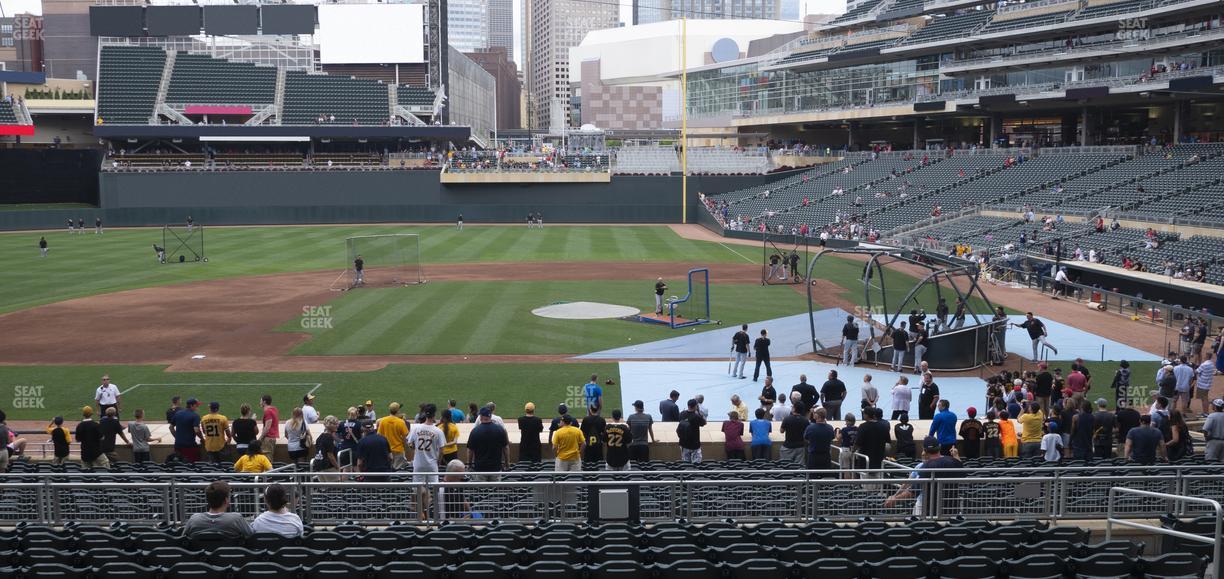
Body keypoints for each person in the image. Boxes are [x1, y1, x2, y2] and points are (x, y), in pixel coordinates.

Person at [884, 436, 962, 516]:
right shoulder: (952, 461)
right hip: (953, 510)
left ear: (925, 450)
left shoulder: (926, 466)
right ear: (939, 447)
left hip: (931, 512)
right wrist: (956, 456)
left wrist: (895, 499)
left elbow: (913, 491)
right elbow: (962, 474)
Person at [406, 405, 445, 517]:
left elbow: (409, 444)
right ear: (434, 415)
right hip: (432, 464)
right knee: (434, 489)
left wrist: (415, 448)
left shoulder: (416, 428)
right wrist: (438, 460)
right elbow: (442, 450)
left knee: (418, 489)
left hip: (418, 464)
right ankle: (431, 512)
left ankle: (421, 512)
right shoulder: (438, 431)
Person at [183, 481, 253, 539]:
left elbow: (183, 537)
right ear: (226, 500)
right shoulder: (236, 519)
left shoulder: (194, 519)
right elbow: (251, 535)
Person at [466, 408, 509, 481]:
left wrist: (469, 464)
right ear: (490, 416)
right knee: (495, 491)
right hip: (496, 469)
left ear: (481, 417)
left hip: (480, 469)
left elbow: (470, 450)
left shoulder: (475, 431)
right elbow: (506, 448)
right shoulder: (500, 430)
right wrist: (507, 463)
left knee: (481, 492)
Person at [169, 398, 203, 463]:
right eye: (196, 405)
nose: (197, 407)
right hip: (189, 445)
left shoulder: (178, 413)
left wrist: (177, 437)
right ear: (192, 405)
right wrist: (202, 439)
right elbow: (196, 430)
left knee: (179, 464)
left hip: (178, 445)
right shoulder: (195, 415)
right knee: (193, 464)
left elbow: (171, 427)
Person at [377, 403, 409, 470]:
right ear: (398, 411)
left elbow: (379, 436)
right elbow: (404, 438)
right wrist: (407, 450)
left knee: (387, 470)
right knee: (397, 472)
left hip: (386, 450)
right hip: (398, 450)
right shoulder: (401, 422)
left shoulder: (383, 421)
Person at [803, 407, 836, 474]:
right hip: (826, 456)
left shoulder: (810, 428)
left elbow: (805, 438)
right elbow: (832, 438)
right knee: (825, 477)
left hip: (813, 456)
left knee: (812, 477)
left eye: (815, 413)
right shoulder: (830, 428)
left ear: (817, 416)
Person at [677, 399, 707, 463]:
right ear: (696, 406)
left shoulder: (682, 414)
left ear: (688, 405)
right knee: (697, 463)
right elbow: (704, 423)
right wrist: (698, 412)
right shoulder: (696, 416)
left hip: (683, 443)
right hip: (694, 444)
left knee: (686, 463)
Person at [312, 416, 340, 480]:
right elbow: (330, 455)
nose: (337, 426)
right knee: (335, 488)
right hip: (328, 467)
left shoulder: (320, 436)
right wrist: (337, 467)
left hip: (319, 465)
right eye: (335, 424)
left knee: (324, 488)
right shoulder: (328, 437)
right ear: (330, 425)